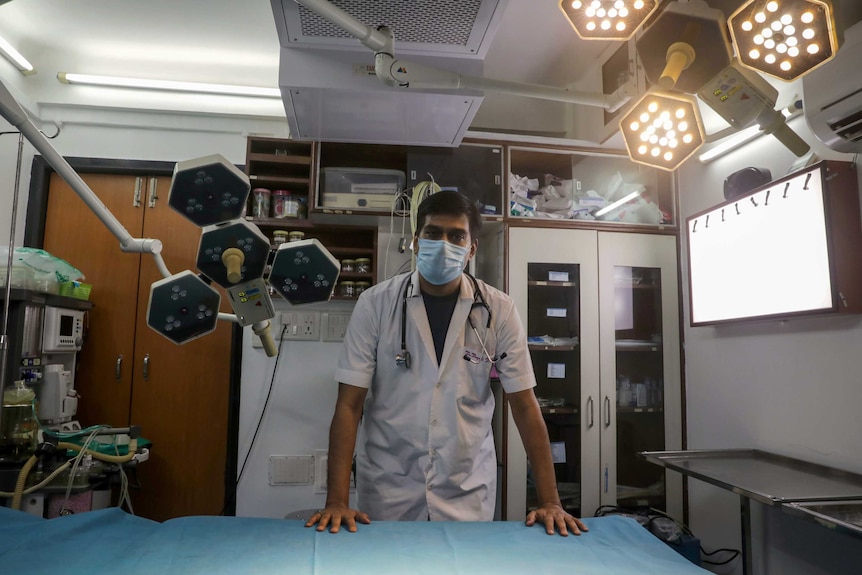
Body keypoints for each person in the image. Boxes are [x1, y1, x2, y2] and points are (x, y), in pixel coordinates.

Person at [306, 191, 588, 537]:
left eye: (456, 236)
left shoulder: (498, 310)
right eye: (433, 233)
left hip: (466, 488)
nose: (443, 244)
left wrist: (551, 501)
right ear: (415, 241)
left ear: (471, 249)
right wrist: (337, 500)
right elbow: (349, 406)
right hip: (389, 486)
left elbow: (526, 408)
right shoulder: (375, 304)